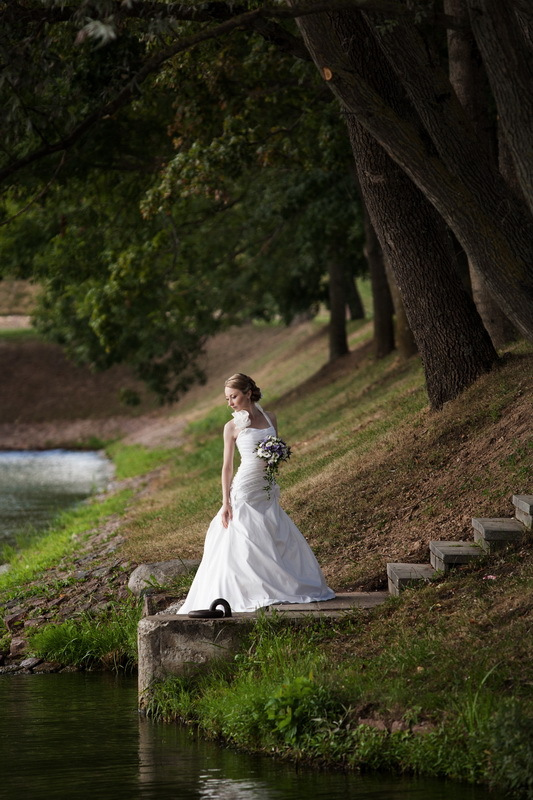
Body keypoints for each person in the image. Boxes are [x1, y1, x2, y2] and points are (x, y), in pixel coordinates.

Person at [177, 373, 335, 614]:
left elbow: (275, 447)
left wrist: (277, 455)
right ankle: (247, 589)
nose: (230, 402)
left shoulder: (270, 418)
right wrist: (225, 502)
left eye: (234, 396)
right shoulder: (231, 427)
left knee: (272, 531)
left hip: (266, 487)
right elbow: (227, 467)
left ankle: (277, 584)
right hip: (244, 487)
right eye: (227, 398)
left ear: (248, 393)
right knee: (244, 534)